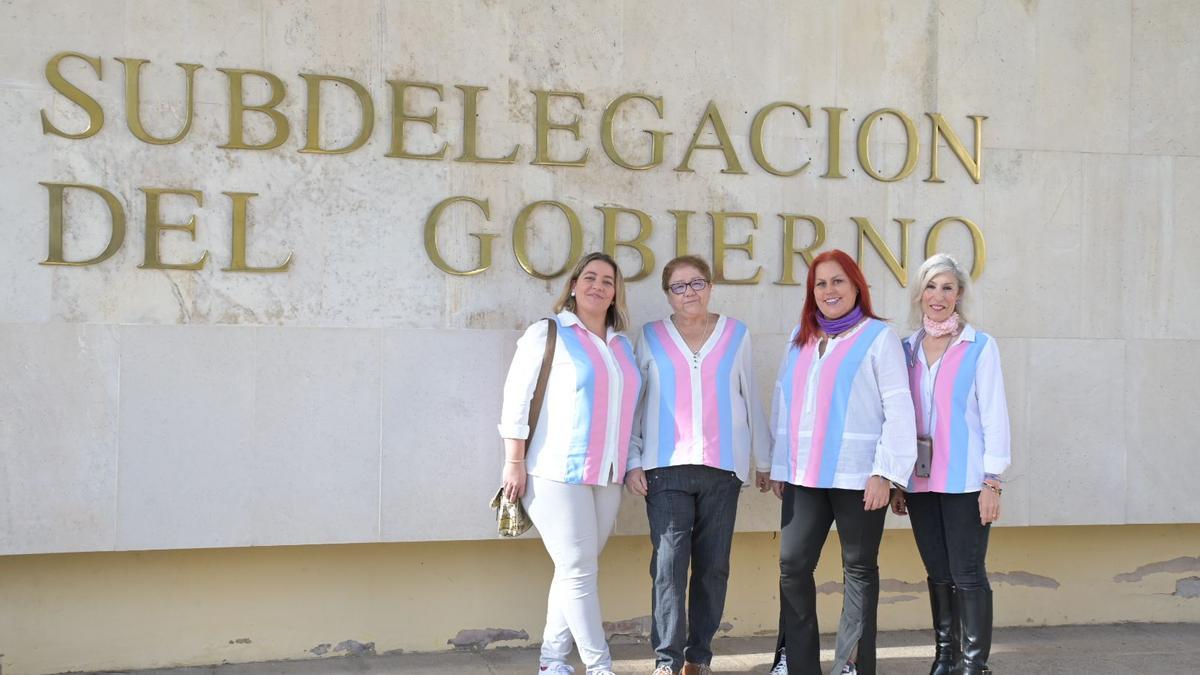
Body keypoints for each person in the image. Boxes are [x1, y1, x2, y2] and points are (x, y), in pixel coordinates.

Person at [763, 249, 916, 675]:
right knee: (792, 565)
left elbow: (899, 408)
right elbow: (783, 400)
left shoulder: (878, 336)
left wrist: (885, 473)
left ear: (856, 286)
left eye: (838, 282)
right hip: (804, 475)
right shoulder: (802, 336)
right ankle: (796, 662)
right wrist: (780, 465)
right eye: (820, 284)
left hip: (858, 476)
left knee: (859, 570)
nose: (829, 290)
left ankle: (850, 663)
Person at [498, 252, 643, 675]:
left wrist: (632, 462)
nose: (599, 286)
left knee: (574, 571)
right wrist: (514, 462)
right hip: (555, 471)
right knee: (578, 570)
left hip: (608, 475)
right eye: (590, 277)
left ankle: (552, 662)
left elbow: (630, 413)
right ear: (575, 285)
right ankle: (599, 667)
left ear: (616, 293)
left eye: (608, 281)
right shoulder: (548, 333)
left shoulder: (622, 344)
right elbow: (516, 401)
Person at [626, 255, 770, 675]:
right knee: (669, 562)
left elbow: (750, 396)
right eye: (679, 286)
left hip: (722, 469)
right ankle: (666, 661)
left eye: (697, 283)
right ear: (668, 293)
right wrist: (633, 459)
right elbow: (637, 405)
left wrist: (764, 460)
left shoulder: (735, 333)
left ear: (710, 286)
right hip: (664, 468)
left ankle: (698, 658)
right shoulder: (650, 337)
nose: (690, 292)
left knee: (713, 565)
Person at [890, 253, 1010, 675]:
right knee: (938, 572)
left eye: (947, 288)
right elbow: (898, 419)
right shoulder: (904, 349)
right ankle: (946, 657)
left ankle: (974, 664)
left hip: (966, 482)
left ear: (959, 295)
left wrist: (992, 481)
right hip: (921, 483)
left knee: (967, 573)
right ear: (919, 294)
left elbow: (995, 416)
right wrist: (897, 481)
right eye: (930, 287)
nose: (937, 296)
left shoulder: (979, 346)